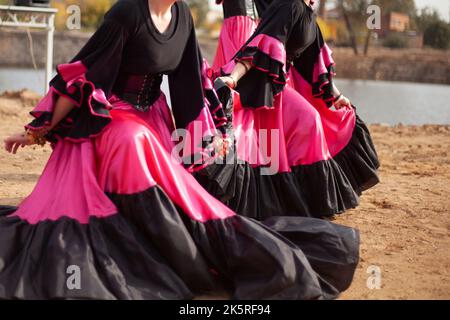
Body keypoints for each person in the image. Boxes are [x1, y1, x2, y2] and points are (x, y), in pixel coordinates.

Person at [0, 0, 359, 300]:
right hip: (113, 120)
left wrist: (215, 132)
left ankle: (225, 254)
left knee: (188, 198)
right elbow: (83, 75)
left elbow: (190, 84)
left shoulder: (183, 16)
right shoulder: (126, 13)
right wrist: (37, 130)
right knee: (134, 144)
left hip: (154, 119)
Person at [196, 0, 380, 219]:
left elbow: (314, 60)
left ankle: (306, 201)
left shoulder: (308, 12)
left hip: (285, 83)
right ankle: (313, 201)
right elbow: (258, 45)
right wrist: (233, 78)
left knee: (303, 129)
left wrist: (337, 96)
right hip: (266, 84)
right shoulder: (288, 5)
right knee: (309, 119)